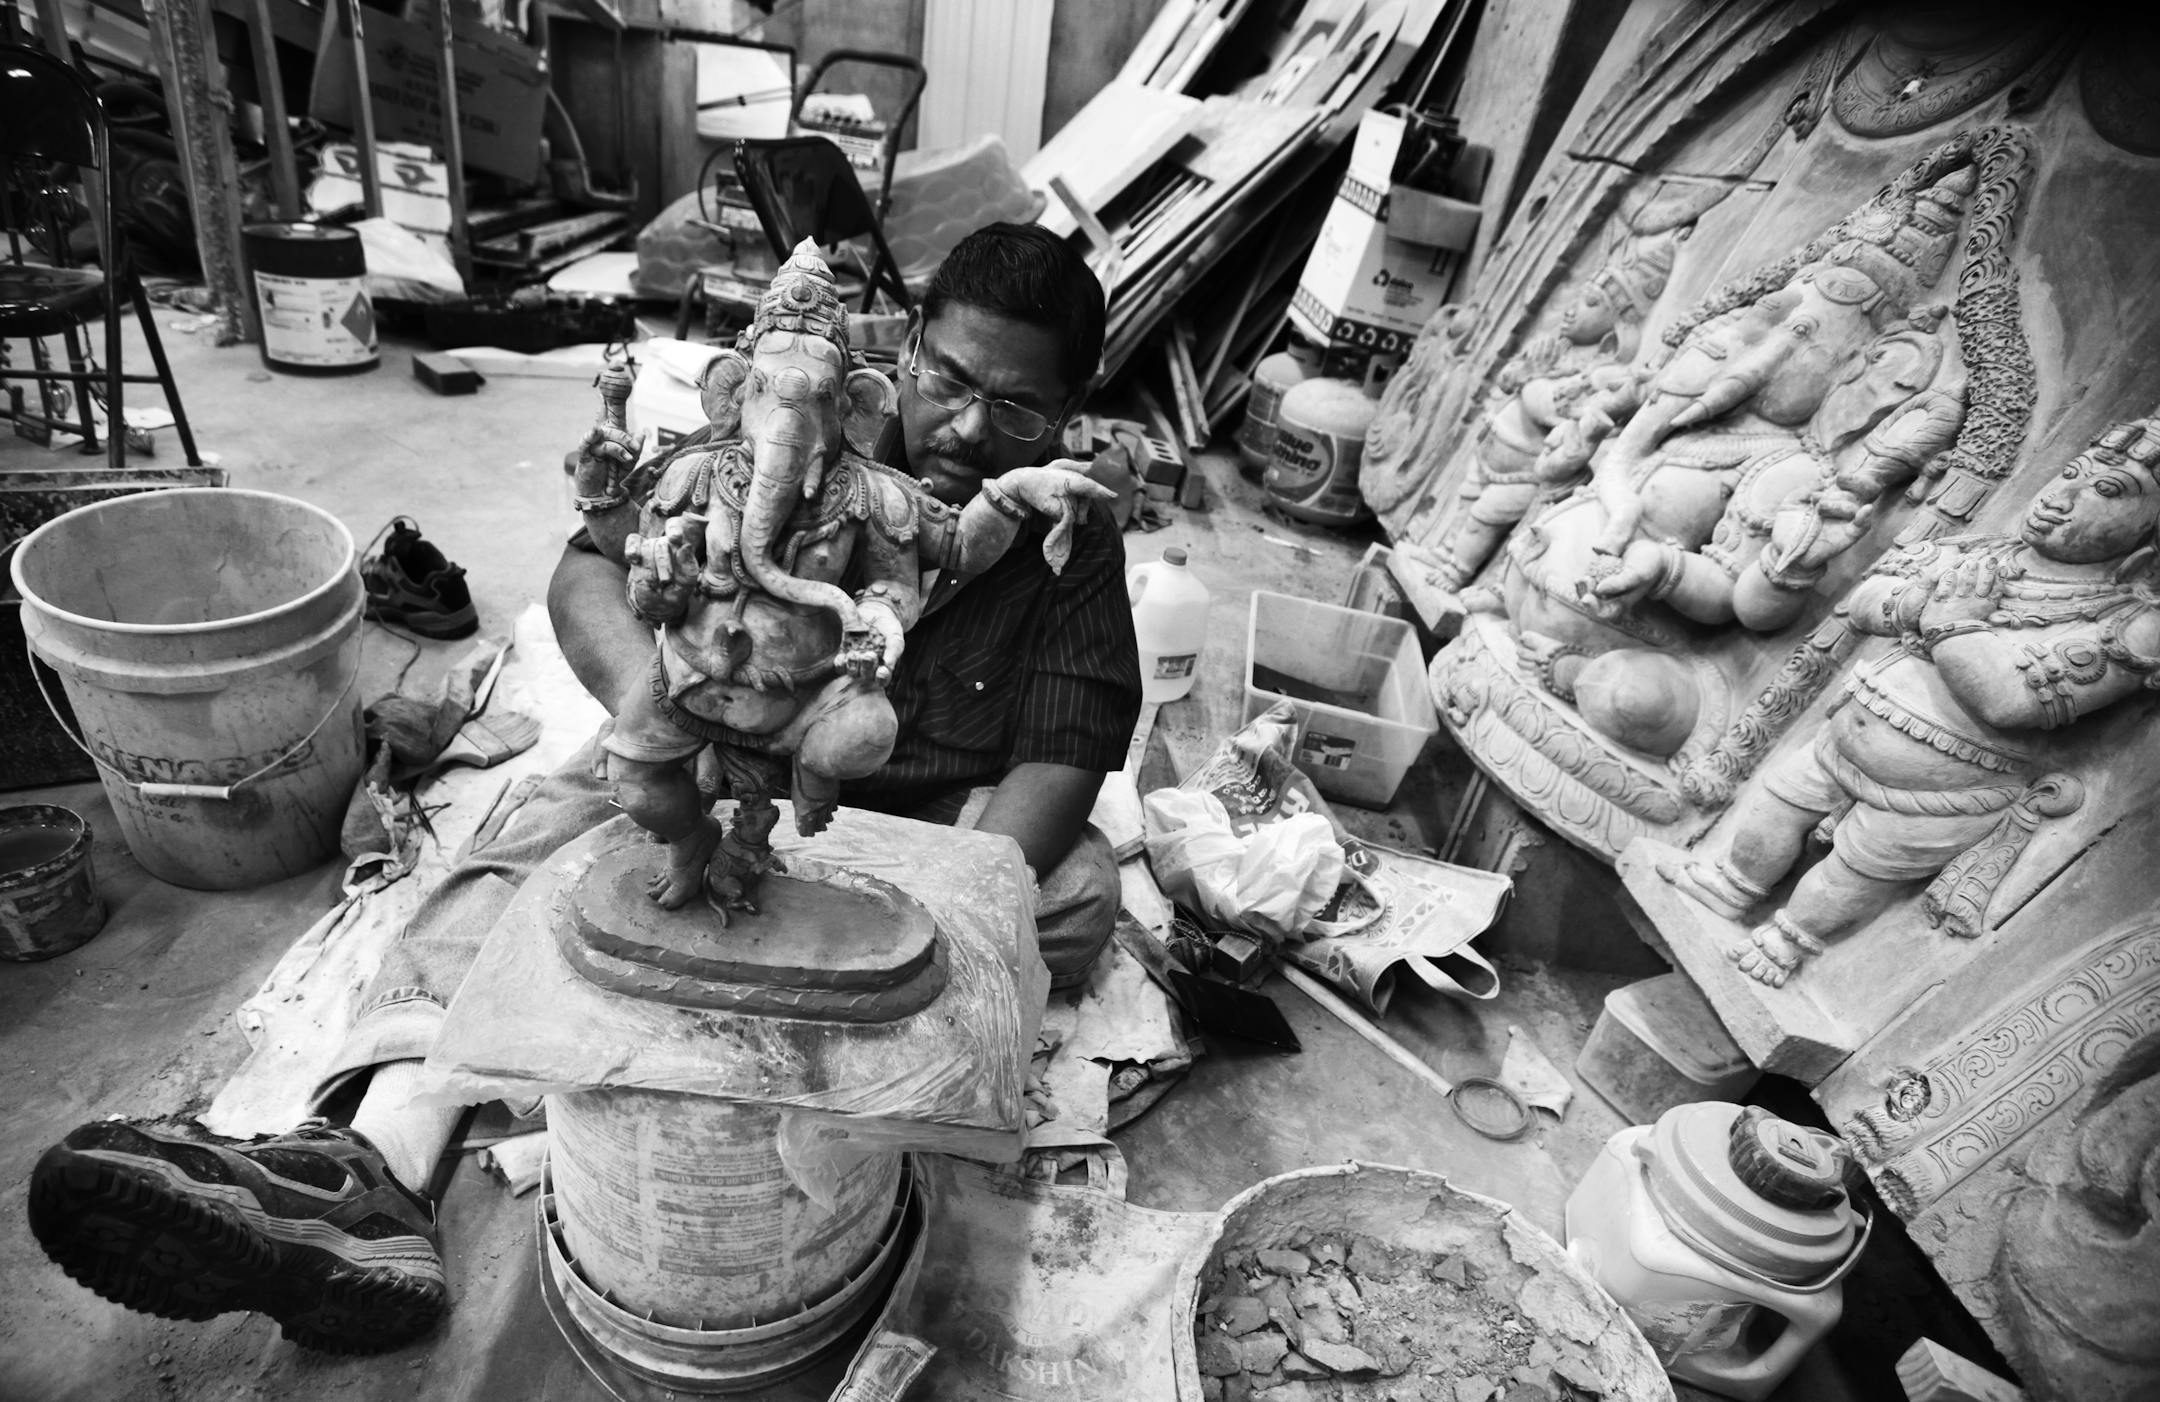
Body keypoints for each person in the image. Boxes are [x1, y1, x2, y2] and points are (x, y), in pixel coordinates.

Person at [26, 223, 1142, 1355]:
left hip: (899, 814)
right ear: (902, 352)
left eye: (1017, 409)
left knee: (1071, 891)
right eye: (948, 381)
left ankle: (810, 1038)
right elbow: (587, 570)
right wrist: (657, 708)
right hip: (710, 748)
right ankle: (370, 1169)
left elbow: (1065, 755)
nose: (967, 428)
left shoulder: (1062, 530)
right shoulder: (761, 424)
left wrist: (938, 912)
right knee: (546, 826)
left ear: (1071, 409)